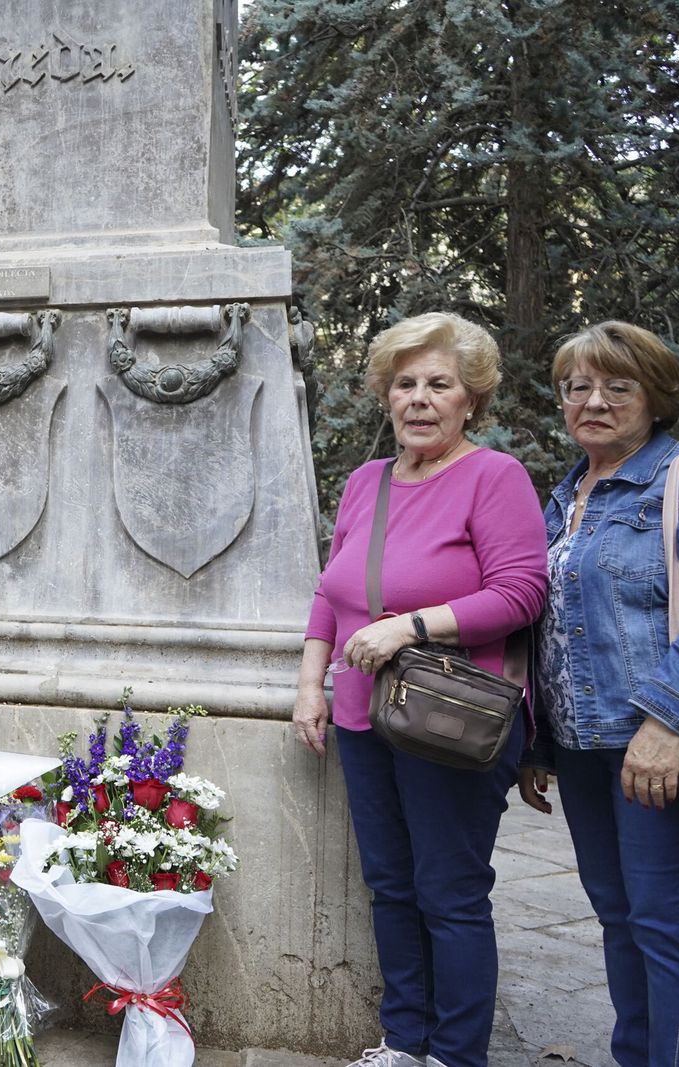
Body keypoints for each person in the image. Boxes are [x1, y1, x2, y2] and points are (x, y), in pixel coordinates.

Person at [291, 312, 548, 1067]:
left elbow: (522, 592)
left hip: (452, 716)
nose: (420, 398)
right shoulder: (366, 482)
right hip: (363, 716)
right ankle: (404, 1042)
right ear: (386, 395)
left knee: (451, 893)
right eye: (405, 383)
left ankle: (456, 1054)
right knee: (392, 888)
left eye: (440, 383)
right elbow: (329, 593)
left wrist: (411, 626)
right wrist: (311, 684)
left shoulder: (494, 476)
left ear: (471, 397)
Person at [517, 322, 679, 1067]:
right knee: (620, 918)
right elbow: (553, 624)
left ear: (655, 398)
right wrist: (538, 743)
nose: (594, 401)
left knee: (671, 926)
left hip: (657, 746)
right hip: (583, 749)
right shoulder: (567, 494)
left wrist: (668, 718)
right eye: (578, 387)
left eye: (617, 387)